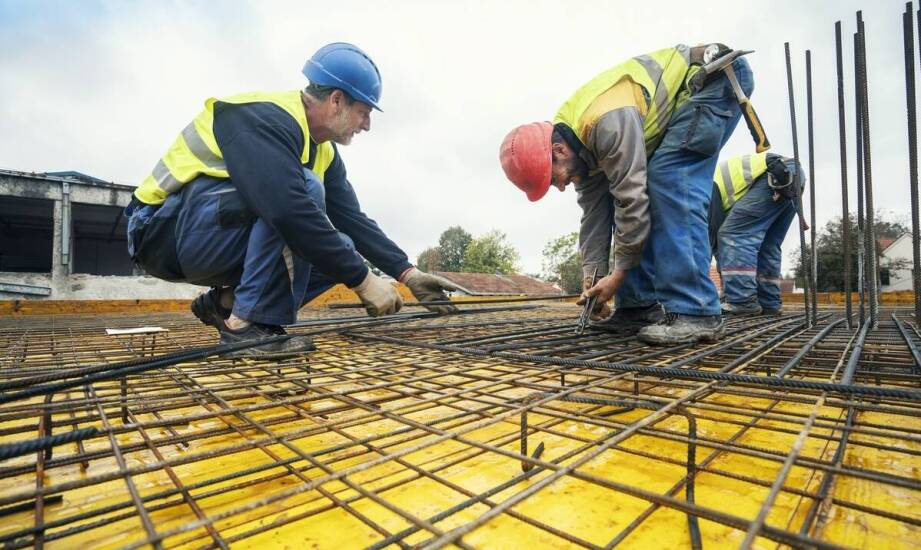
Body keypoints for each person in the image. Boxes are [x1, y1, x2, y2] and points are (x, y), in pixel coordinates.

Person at [125, 42, 458, 356]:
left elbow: (352, 221)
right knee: (306, 196)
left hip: (205, 236)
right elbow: (286, 210)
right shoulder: (260, 118)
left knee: (339, 244)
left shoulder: (323, 151)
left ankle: (226, 304)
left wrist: (407, 273)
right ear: (337, 100)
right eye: (364, 112)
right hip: (161, 235)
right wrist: (363, 280)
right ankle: (244, 327)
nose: (367, 125)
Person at [500, 44, 754, 344]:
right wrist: (593, 282)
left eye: (553, 178)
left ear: (558, 151)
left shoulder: (605, 124)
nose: (560, 186)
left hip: (714, 82)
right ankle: (638, 308)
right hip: (697, 92)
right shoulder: (580, 151)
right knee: (635, 198)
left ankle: (696, 312)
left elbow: (631, 201)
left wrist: (617, 276)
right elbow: (595, 218)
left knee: (668, 180)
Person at [708, 153, 804, 315]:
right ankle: (769, 302)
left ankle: (742, 300)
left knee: (733, 235)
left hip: (775, 175)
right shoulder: (707, 179)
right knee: (767, 244)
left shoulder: (704, 187)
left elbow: (716, 240)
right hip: (792, 176)